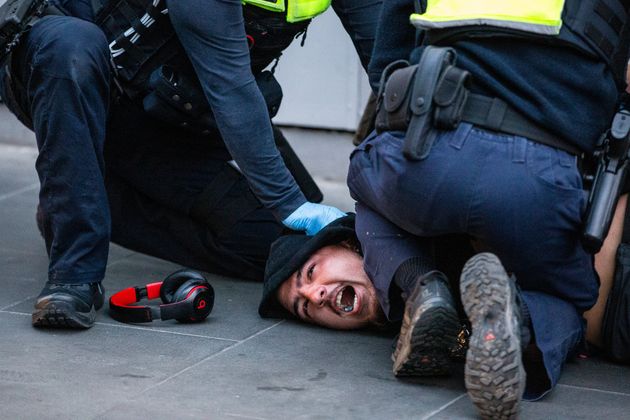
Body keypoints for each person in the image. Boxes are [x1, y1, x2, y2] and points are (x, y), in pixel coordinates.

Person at [267, 1, 630, 418]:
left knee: (369, 172)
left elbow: (388, 61)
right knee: (572, 300)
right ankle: (519, 318)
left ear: (346, 242)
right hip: (541, 176)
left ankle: (423, 286)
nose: (317, 295)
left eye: (309, 277)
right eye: (305, 306)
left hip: (430, 149)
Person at [0, 0, 381, 329]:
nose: (315, 295)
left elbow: (387, 62)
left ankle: (84, 193)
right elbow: (229, 85)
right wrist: (288, 201)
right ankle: (74, 275)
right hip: (62, 72)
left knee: (283, 245)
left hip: (167, 113)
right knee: (73, 48)